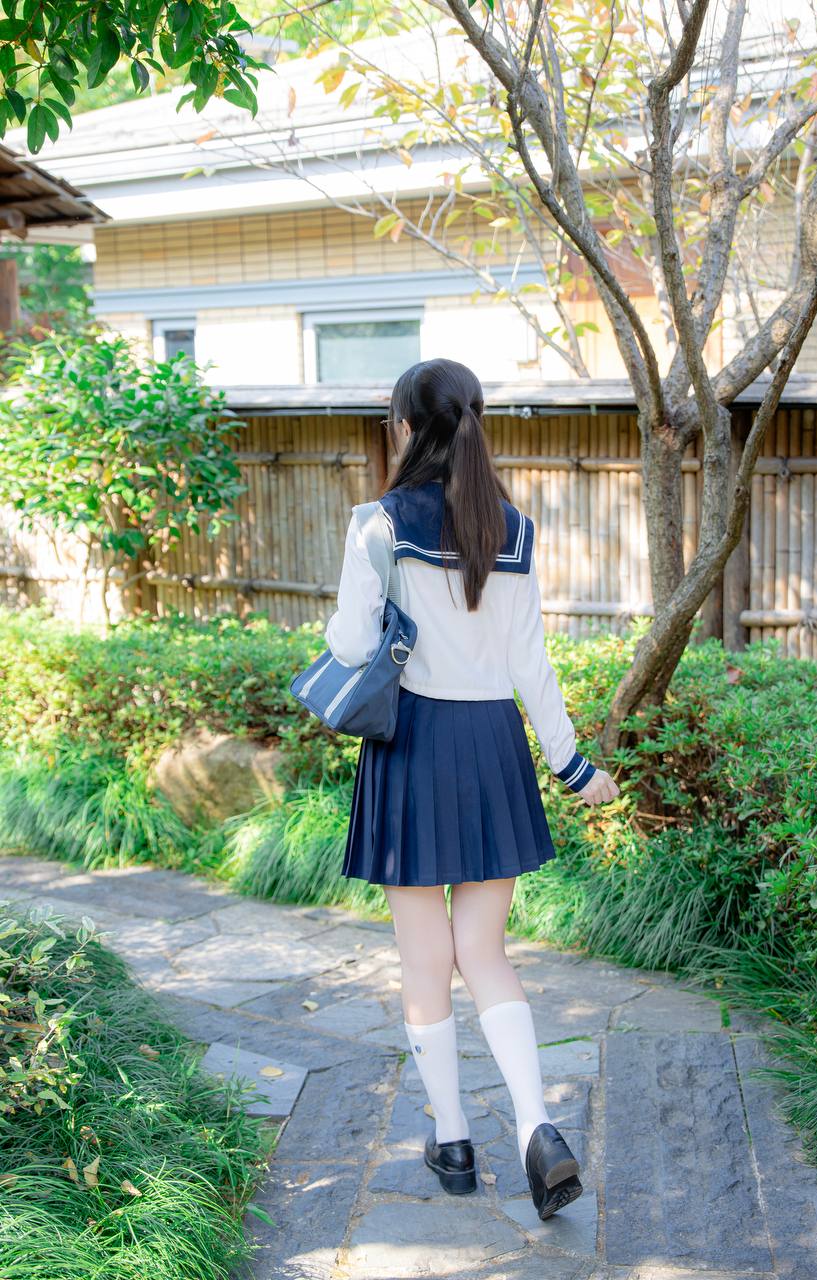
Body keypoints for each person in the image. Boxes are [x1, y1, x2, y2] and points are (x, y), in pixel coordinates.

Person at [324, 357, 620, 1220]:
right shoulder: (511, 529)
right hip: (493, 746)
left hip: (411, 746)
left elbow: (350, 649)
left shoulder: (377, 524)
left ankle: (452, 1143)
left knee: (426, 962)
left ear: (404, 427)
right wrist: (572, 767)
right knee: (485, 954)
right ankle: (536, 1126)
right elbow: (532, 664)